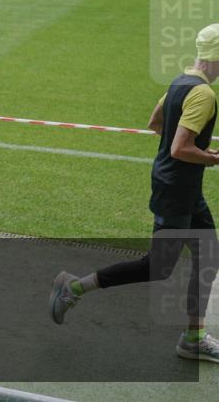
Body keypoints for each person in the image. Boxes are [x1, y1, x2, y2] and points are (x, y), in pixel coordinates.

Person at [49, 23, 219, 363]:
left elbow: (155, 122)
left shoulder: (180, 82)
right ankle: (74, 287)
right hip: (176, 191)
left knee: (208, 257)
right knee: (157, 266)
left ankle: (193, 337)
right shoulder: (204, 94)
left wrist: (192, 151)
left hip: (183, 188)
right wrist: (212, 157)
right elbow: (179, 148)